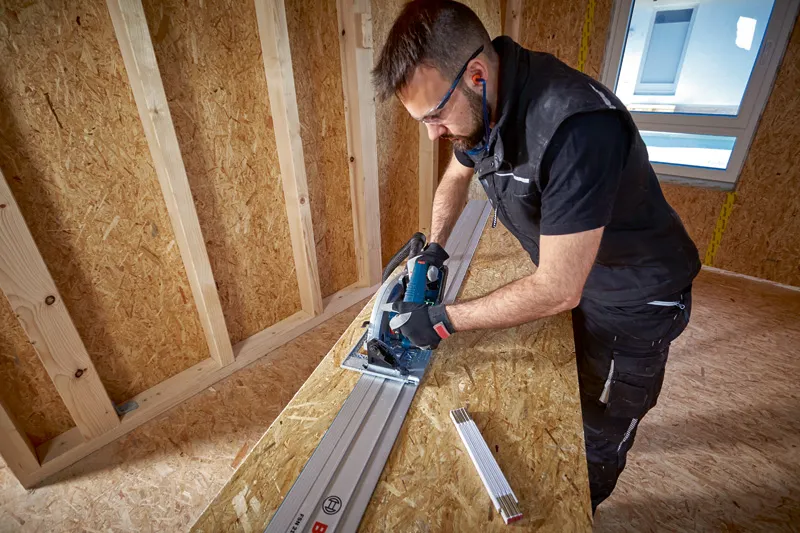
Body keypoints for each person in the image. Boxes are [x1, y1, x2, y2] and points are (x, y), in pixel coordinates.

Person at [373, 0, 700, 512]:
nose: (433, 133)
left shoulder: (575, 128)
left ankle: (576, 512)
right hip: (581, 275)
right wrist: (436, 247)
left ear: (475, 75)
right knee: (565, 387)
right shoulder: (482, 108)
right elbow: (458, 176)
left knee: (598, 426)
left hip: (634, 299)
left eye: (434, 115)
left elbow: (557, 288)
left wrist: (440, 321)